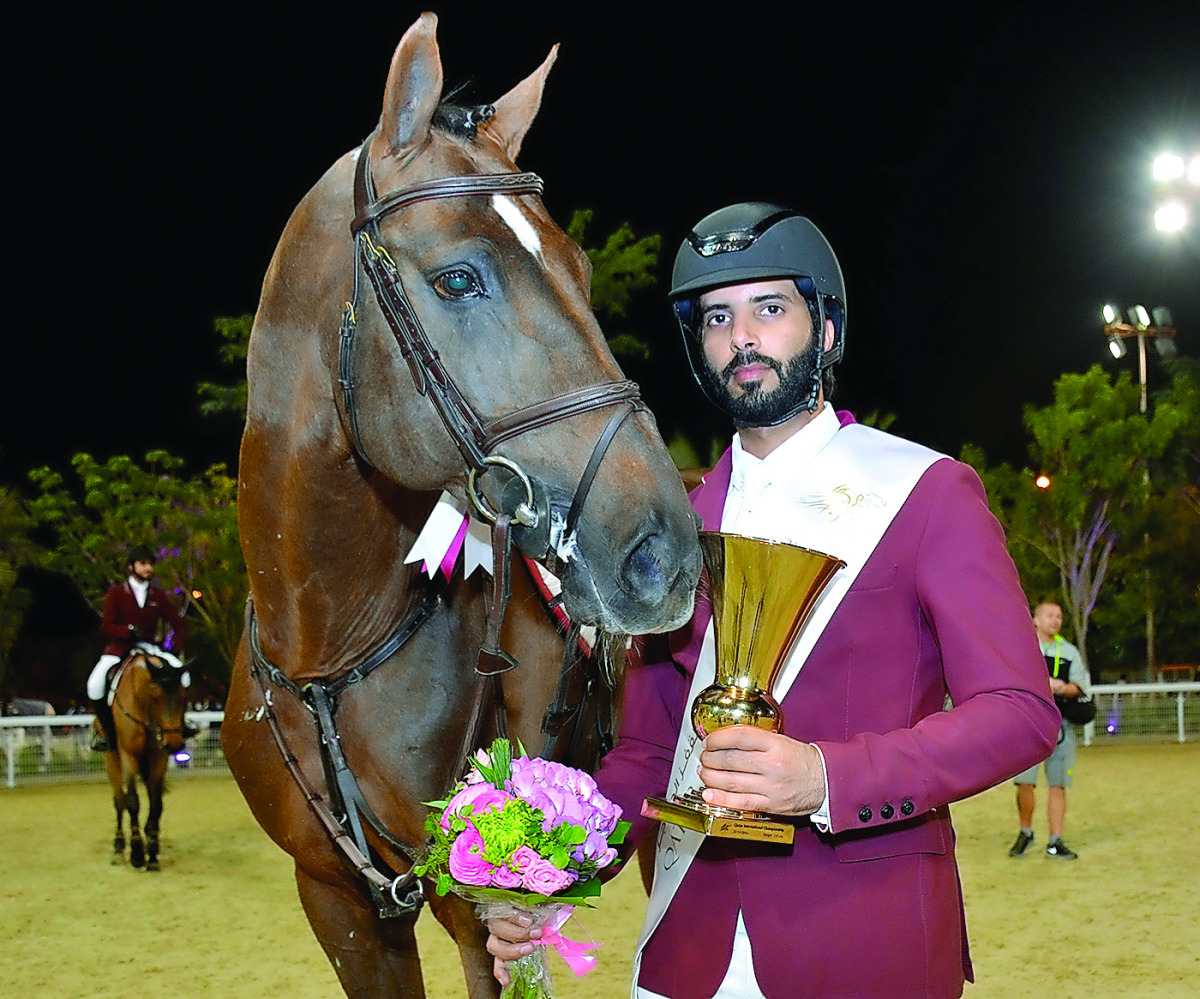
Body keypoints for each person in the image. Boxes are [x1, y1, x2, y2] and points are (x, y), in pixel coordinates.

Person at [486, 203, 1061, 999]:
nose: (741, 337)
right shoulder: (675, 524)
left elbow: (1021, 710)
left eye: (770, 308)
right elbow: (649, 756)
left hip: (867, 943)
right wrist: (544, 870)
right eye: (717, 317)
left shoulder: (927, 493)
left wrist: (826, 777)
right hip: (689, 948)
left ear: (825, 331)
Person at [86, 545, 188, 752]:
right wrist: (127, 631)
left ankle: (182, 725)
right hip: (120, 649)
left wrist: (175, 648)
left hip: (150, 648)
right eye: (143, 564)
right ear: (131, 567)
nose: (148, 568)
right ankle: (108, 734)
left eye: (150, 564)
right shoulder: (116, 593)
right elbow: (106, 626)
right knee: (94, 684)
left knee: (184, 677)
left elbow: (178, 624)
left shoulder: (157, 595)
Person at [1009, 600, 1090, 860]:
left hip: (1061, 727)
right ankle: (1026, 832)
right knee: (1024, 783)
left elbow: (1080, 686)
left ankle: (1056, 841)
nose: (1055, 620)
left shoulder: (1069, 652)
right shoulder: (1020, 647)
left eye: (1059, 616)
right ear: (1035, 619)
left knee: (1058, 784)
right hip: (1026, 728)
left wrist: (1061, 687)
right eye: (1050, 616)